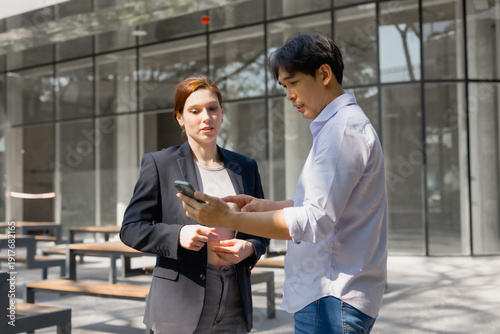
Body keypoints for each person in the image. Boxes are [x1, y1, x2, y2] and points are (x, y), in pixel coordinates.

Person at [177, 33, 388, 333]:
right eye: (284, 86)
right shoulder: (338, 128)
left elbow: (315, 221)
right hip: (330, 297)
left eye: (293, 83)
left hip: (330, 298)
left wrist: (230, 218)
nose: (289, 95)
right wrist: (265, 207)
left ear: (324, 74)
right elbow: (324, 209)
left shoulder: (340, 132)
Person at [120, 76, 270, 334]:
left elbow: (260, 228)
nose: (206, 117)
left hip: (235, 296)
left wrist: (250, 247)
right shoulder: (160, 164)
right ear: (180, 117)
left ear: (222, 113)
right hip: (180, 300)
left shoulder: (246, 166)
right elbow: (131, 228)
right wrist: (178, 234)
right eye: (195, 110)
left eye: (212, 108)